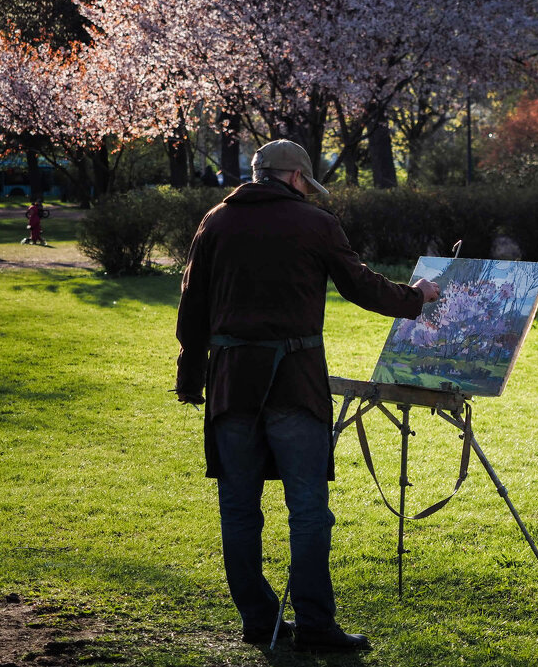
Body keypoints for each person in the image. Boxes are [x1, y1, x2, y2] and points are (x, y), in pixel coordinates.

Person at [174, 139, 439, 653]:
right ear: (296, 178)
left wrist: (191, 378)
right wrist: (417, 297)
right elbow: (361, 286)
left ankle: (257, 621)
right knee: (309, 511)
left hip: (231, 386)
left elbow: (192, 309)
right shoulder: (315, 222)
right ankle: (316, 626)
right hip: (295, 386)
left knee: (239, 510)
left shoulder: (214, 222)